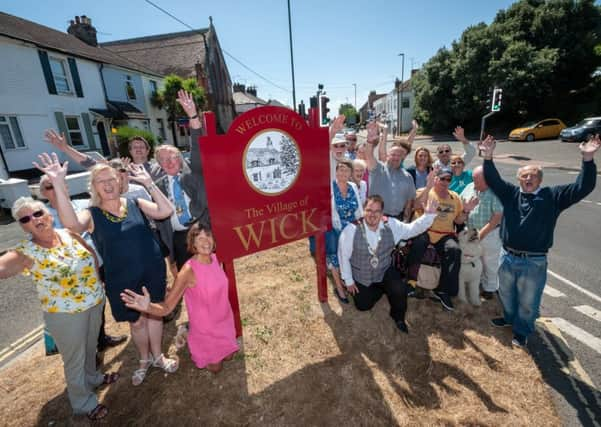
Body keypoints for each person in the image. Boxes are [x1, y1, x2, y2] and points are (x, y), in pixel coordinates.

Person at [35, 152, 178, 386]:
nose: (108, 184)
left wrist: (148, 183)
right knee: (137, 322)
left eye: (112, 179)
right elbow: (71, 225)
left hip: (152, 271)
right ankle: (144, 360)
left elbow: (165, 211)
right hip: (121, 278)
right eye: (102, 181)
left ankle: (159, 356)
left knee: (154, 315)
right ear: (94, 187)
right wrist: (59, 184)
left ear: (119, 181)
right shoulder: (91, 213)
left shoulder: (135, 202)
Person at [0, 197, 118, 421]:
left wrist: (97, 282)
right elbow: (3, 268)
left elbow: (90, 254)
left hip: (94, 303)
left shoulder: (67, 234)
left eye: (37, 213)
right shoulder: (25, 252)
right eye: (25, 218)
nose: (34, 220)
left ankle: (93, 378)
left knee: (91, 346)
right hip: (66, 316)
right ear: (22, 226)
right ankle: (83, 402)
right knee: (75, 359)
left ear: (48, 214)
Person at [479, 134, 599, 348]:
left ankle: (522, 330)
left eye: (532, 176)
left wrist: (587, 159)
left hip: (534, 261)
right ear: (519, 179)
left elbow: (583, 187)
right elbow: (493, 179)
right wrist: (488, 156)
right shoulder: (510, 194)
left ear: (539, 179)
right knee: (505, 294)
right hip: (507, 257)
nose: (528, 179)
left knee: (528, 302)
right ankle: (508, 318)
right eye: (524, 175)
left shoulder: (553, 196)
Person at [121, 222, 239, 373]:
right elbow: (168, 307)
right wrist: (148, 307)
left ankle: (191, 333)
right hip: (206, 327)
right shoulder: (188, 271)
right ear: (193, 244)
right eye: (200, 238)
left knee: (229, 356)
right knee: (215, 368)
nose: (206, 241)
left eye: (208, 236)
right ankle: (190, 333)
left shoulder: (216, 259)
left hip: (223, 319)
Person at [39, 175, 127, 353]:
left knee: (100, 304)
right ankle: (89, 351)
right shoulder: (41, 217)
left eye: (59, 184)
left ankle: (101, 339)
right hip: (75, 273)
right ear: (43, 193)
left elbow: (112, 195)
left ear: (66, 187)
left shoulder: (85, 204)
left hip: (102, 262)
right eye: (50, 186)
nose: (55, 189)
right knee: (83, 311)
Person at [338, 195, 438, 333]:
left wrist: (429, 215)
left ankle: (398, 317)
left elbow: (411, 229)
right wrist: (348, 280)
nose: (372, 215)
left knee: (399, 288)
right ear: (363, 211)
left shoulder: (391, 225)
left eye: (377, 211)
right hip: (362, 275)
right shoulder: (351, 230)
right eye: (369, 210)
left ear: (382, 213)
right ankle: (380, 289)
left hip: (384, 270)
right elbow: (343, 256)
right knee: (363, 305)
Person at [153, 90, 210, 272]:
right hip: (179, 237)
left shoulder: (193, 172)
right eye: (164, 159)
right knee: (189, 281)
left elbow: (197, 145)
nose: (169, 162)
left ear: (180, 158)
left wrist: (192, 115)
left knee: (209, 273)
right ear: (159, 164)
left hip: (201, 229)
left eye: (173, 157)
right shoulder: (158, 186)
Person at [407, 166, 479, 311]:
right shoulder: (426, 192)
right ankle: (411, 282)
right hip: (425, 230)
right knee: (419, 244)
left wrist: (466, 210)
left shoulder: (455, 197)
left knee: (455, 251)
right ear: (436, 179)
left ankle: (443, 290)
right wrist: (428, 186)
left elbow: (458, 221)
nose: (445, 182)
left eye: (448, 179)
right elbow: (415, 206)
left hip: (444, 234)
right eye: (442, 178)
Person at [460, 166, 503, 300]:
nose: (474, 182)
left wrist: (479, 236)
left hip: (489, 233)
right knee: (474, 260)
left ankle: (490, 288)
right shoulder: (469, 187)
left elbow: (496, 217)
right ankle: (477, 283)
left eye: (477, 179)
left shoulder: (495, 192)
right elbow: (461, 204)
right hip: (470, 231)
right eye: (473, 178)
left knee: (489, 262)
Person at [364, 121, 416, 221]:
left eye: (399, 155)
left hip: (398, 220)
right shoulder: (378, 169)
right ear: (387, 155)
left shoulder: (407, 177)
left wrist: (406, 221)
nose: (396, 158)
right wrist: (370, 142)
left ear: (403, 158)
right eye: (393, 155)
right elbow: (369, 156)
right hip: (377, 218)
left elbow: (409, 202)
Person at [329, 160, 363, 303]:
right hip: (335, 227)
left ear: (351, 174)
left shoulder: (353, 186)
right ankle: (339, 287)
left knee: (350, 255)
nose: (343, 173)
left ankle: (348, 279)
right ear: (336, 171)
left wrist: (362, 224)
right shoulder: (330, 187)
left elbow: (359, 209)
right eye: (340, 169)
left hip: (352, 226)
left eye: (347, 170)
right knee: (335, 257)